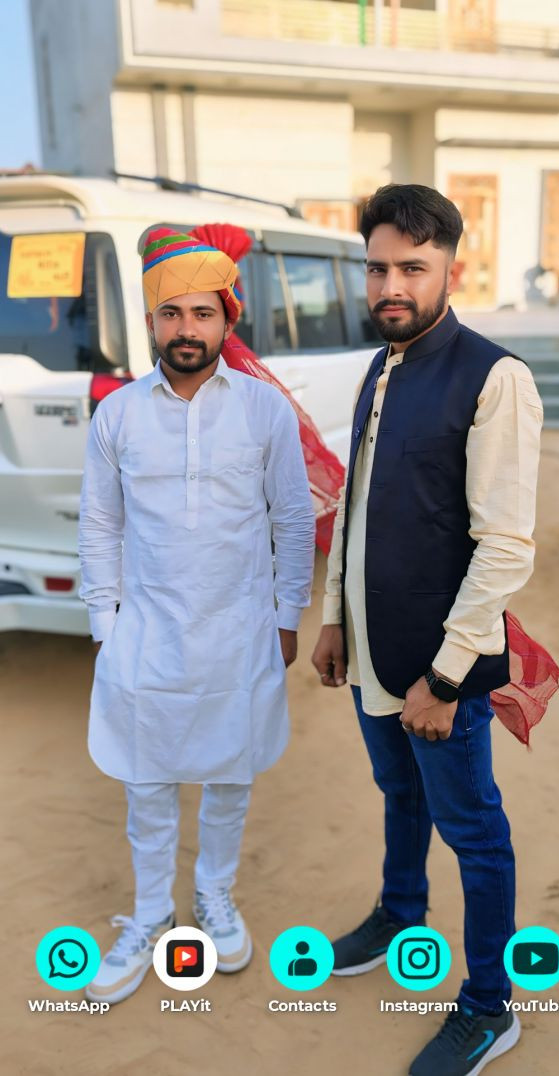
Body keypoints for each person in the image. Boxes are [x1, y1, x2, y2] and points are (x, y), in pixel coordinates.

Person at [311, 184, 543, 1076]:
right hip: (372, 653)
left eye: (413, 267)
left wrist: (443, 681)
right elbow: (358, 506)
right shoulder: (381, 368)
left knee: (473, 830)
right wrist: (335, 620)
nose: (391, 286)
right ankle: (400, 913)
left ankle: (489, 1007)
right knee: (399, 794)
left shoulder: (494, 378)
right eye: (378, 269)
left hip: (440, 672)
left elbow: (505, 547)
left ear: (453, 268)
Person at [79, 226, 315, 1005]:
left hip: (239, 632)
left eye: (202, 313)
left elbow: (291, 519)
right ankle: (151, 913)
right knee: (146, 783)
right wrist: (105, 629)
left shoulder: (263, 410)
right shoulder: (117, 415)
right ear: (151, 321)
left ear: (226, 319)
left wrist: (286, 617)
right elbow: (100, 526)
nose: (187, 329)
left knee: (228, 776)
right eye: (171, 313)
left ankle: (214, 893)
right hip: (146, 633)